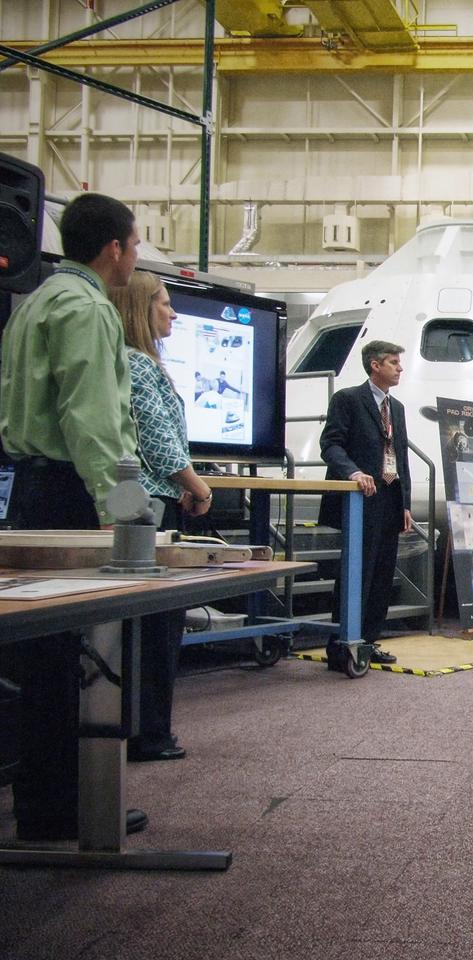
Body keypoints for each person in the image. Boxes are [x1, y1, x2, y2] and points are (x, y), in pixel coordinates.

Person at [0, 192, 148, 841]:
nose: (135, 257)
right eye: (135, 245)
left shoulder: (33, 301)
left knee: (40, 656)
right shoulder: (88, 308)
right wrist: (125, 514)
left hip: (29, 490)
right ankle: (66, 809)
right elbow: (91, 422)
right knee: (71, 655)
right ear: (113, 248)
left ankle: (41, 798)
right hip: (70, 490)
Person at [108, 270, 214, 762]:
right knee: (156, 627)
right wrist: (196, 485)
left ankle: (143, 728)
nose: (173, 313)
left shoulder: (134, 363)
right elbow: (158, 442)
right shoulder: (139, 365)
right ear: (140, 308)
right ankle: (149, 732)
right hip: (153, 505)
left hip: (149, 503)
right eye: (166, 304)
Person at [318, 339, 412, 665]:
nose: (400, 368)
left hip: (388, 500)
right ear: (375, 365)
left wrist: (406, 504)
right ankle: (341, 644)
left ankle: (369, 642)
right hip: (359, 500)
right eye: (394, 362)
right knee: (357, 574)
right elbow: (330, 445)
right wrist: (353, 472)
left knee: (383, 574)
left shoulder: (396, 408)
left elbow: (401, 459)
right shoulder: (347, 399)